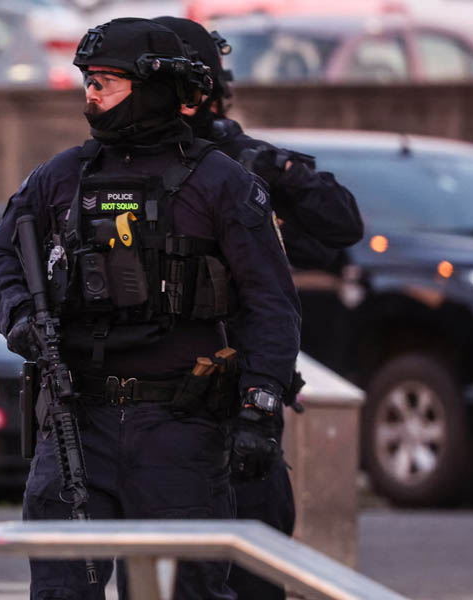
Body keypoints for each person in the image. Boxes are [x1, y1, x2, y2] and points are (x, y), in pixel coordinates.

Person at [0, 18, 301, 600]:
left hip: (180, 429)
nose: (90, 94)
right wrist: (19, 316)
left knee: (184, 592)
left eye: (106, 81)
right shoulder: (61, 177)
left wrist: (260, 404)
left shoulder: (221, 183)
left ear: (152, 87)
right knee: (61, 590)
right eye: (88, 80)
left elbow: (270, 304)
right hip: (78, 419)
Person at [153, 16, 364, 600]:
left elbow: (338, 227)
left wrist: (279, 172)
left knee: (257, 569)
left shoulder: (246, 167)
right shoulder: (125, 170)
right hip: (154, 409)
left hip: (243, 399)